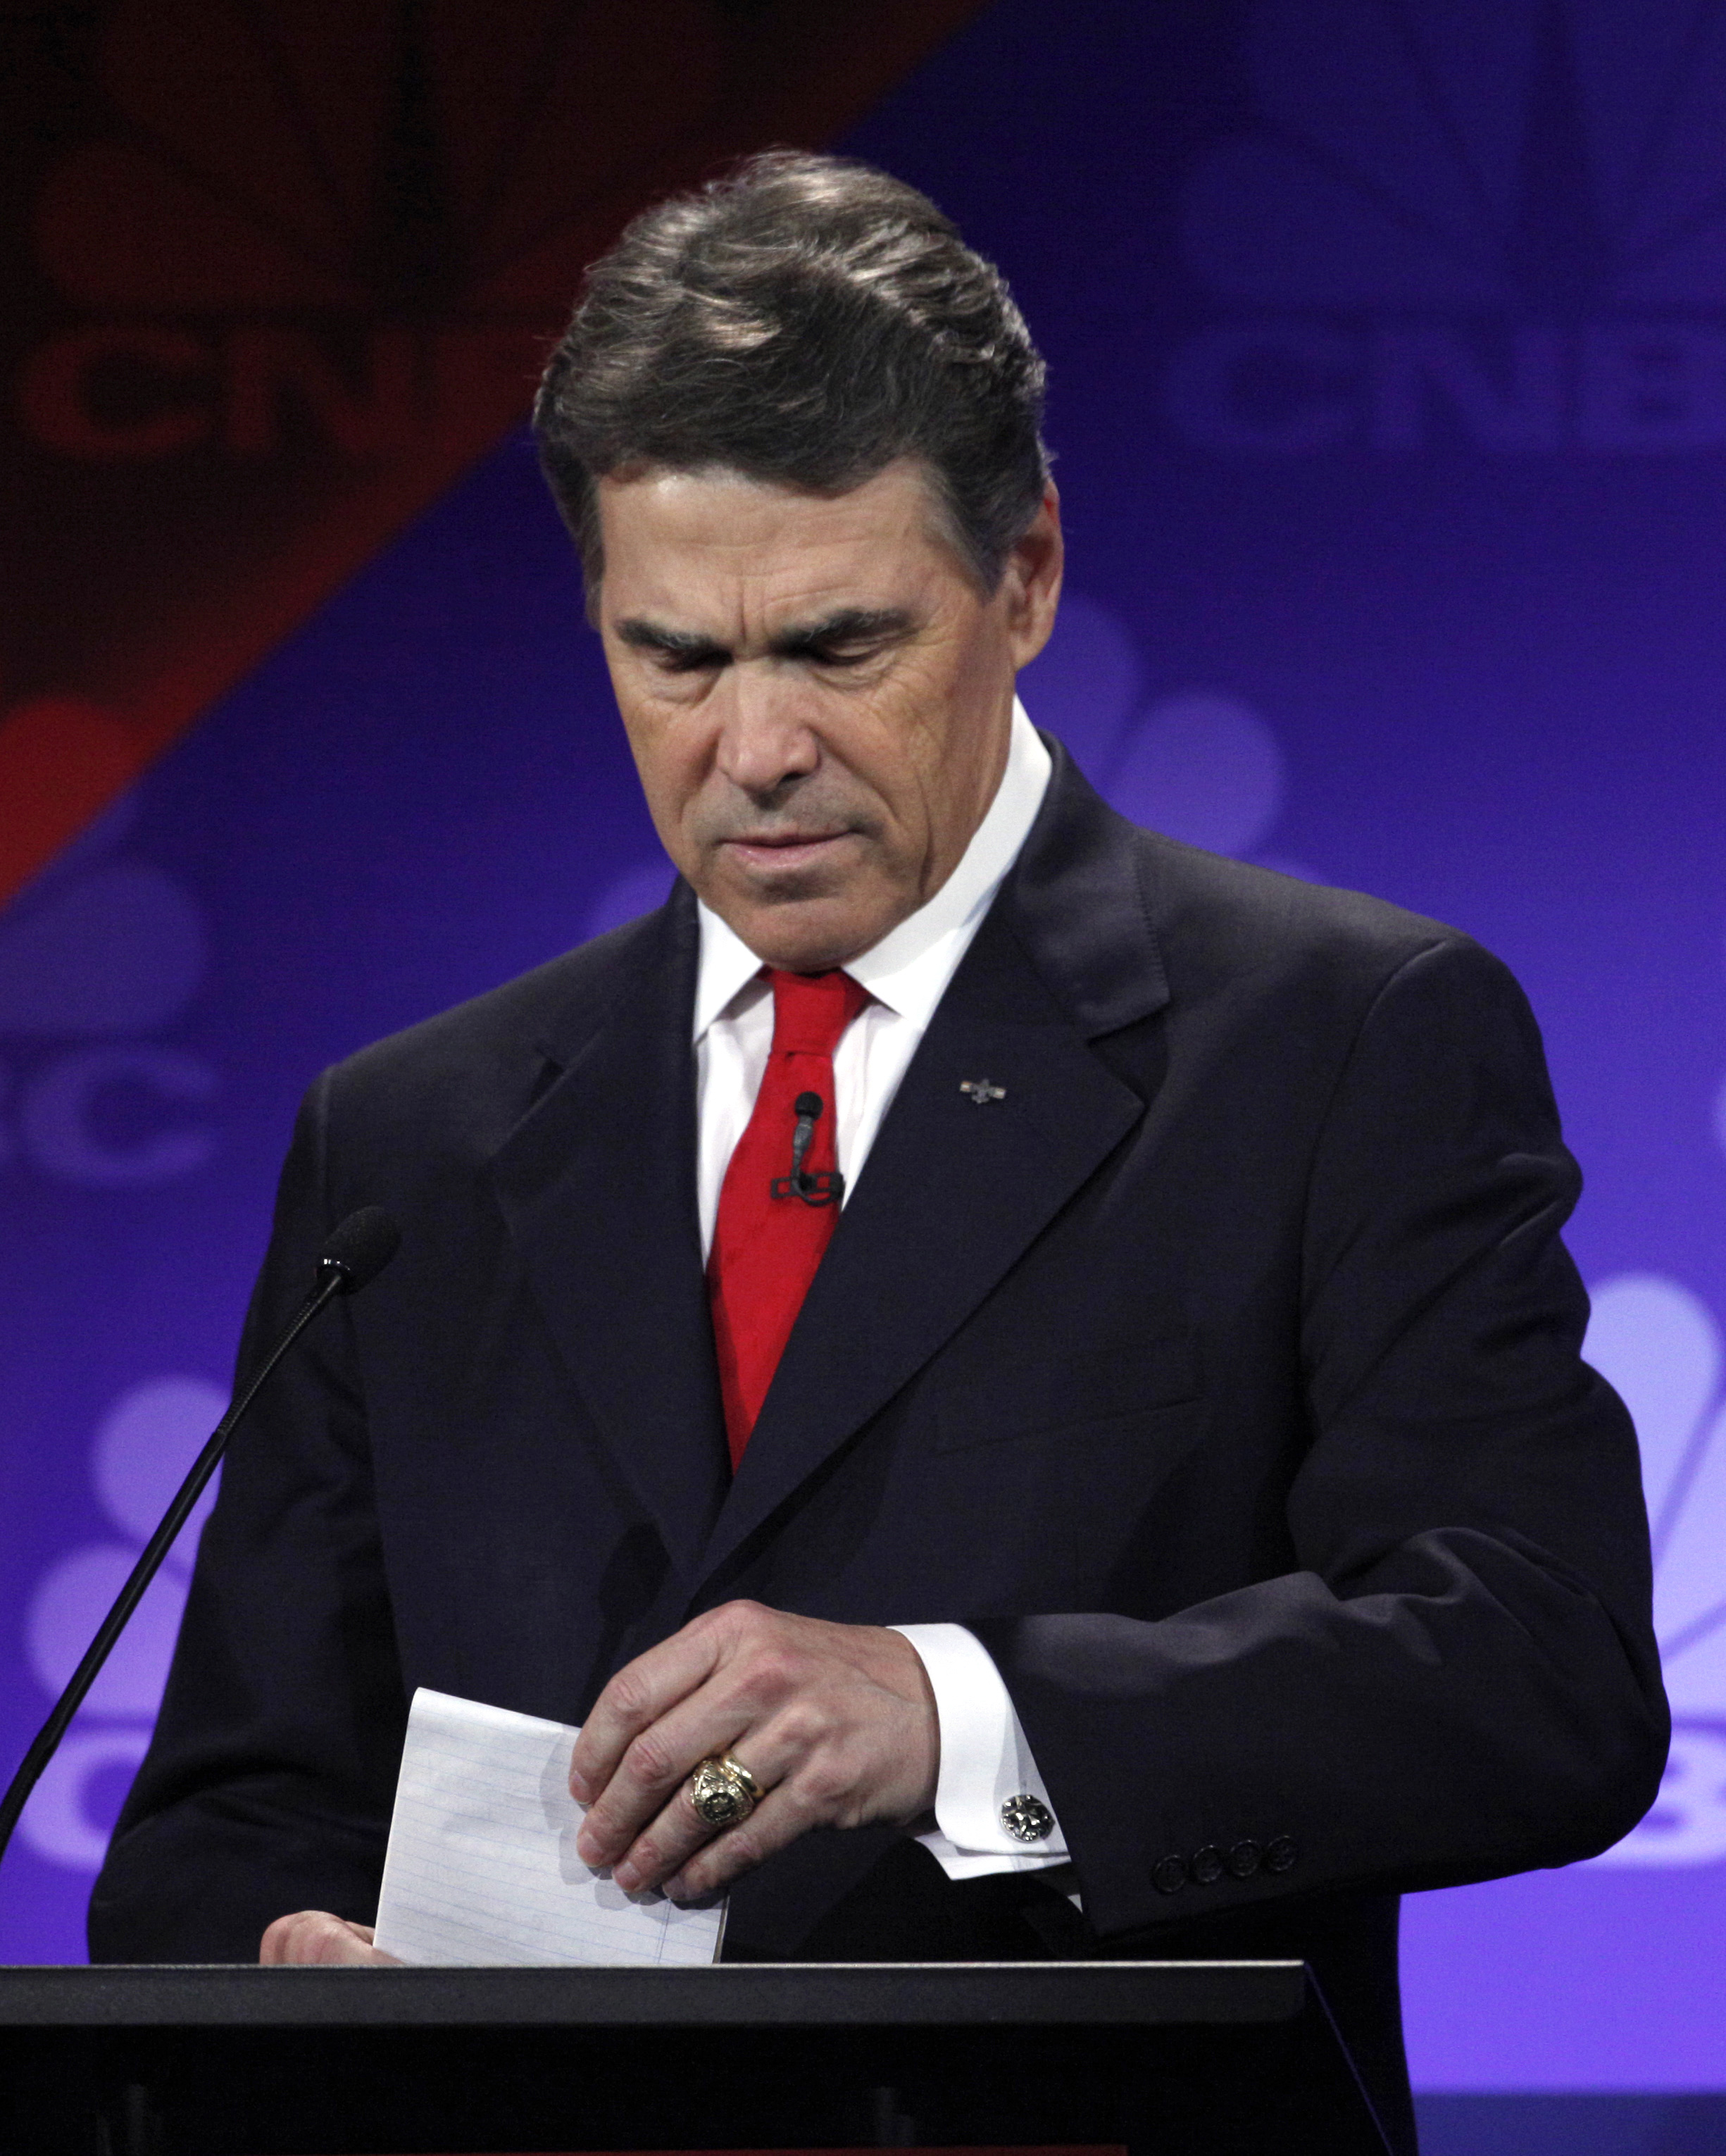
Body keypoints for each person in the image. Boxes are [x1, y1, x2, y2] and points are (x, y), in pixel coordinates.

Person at [89, 153, 1667, 2152]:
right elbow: (233, 1804)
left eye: (836, 648)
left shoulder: (1340, 1040)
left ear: (1022, 577)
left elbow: (1534, 1670)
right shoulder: (415, 1137)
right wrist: (285, 1959)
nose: (751, 747)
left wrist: (954, 1714)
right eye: (673, 657)